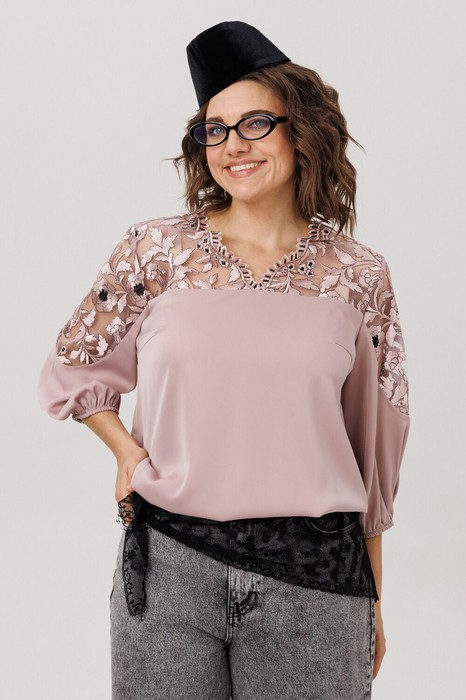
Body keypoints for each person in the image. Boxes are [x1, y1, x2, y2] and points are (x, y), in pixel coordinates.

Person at [37, 20, 410, 700]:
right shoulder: (155, 251)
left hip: (315, 581)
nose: (233, 145)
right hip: (170, 570)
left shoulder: (359, 275)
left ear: (302, 131)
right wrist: (125, 450)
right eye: (215, 129)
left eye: (255, 124)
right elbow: (74, 367)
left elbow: (374, 449)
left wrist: (374, 597)